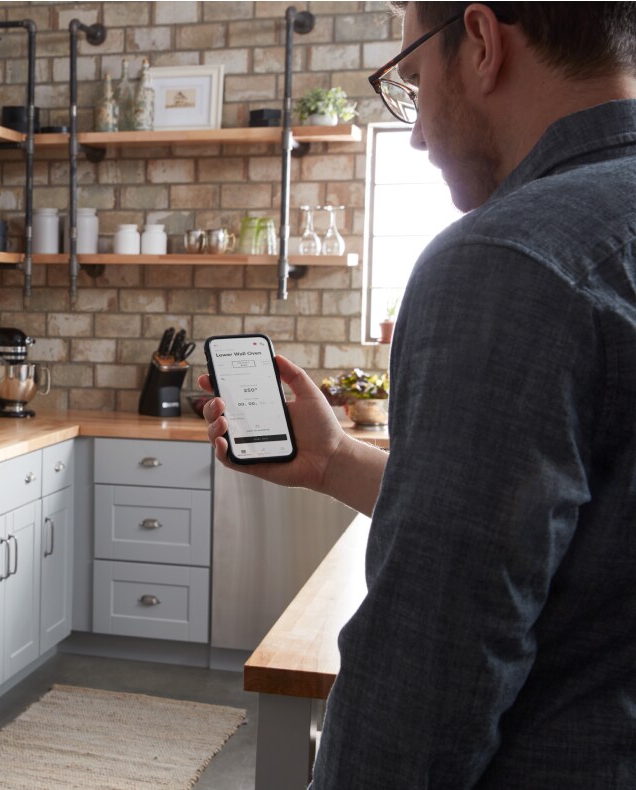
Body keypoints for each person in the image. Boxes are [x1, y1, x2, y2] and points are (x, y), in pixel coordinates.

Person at [199, 3, 636, 786]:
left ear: (480, 42)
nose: (419, 134)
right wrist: (334, 459)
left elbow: (432, 663)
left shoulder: (505, 260)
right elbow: (580, 537)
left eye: (409, 81)